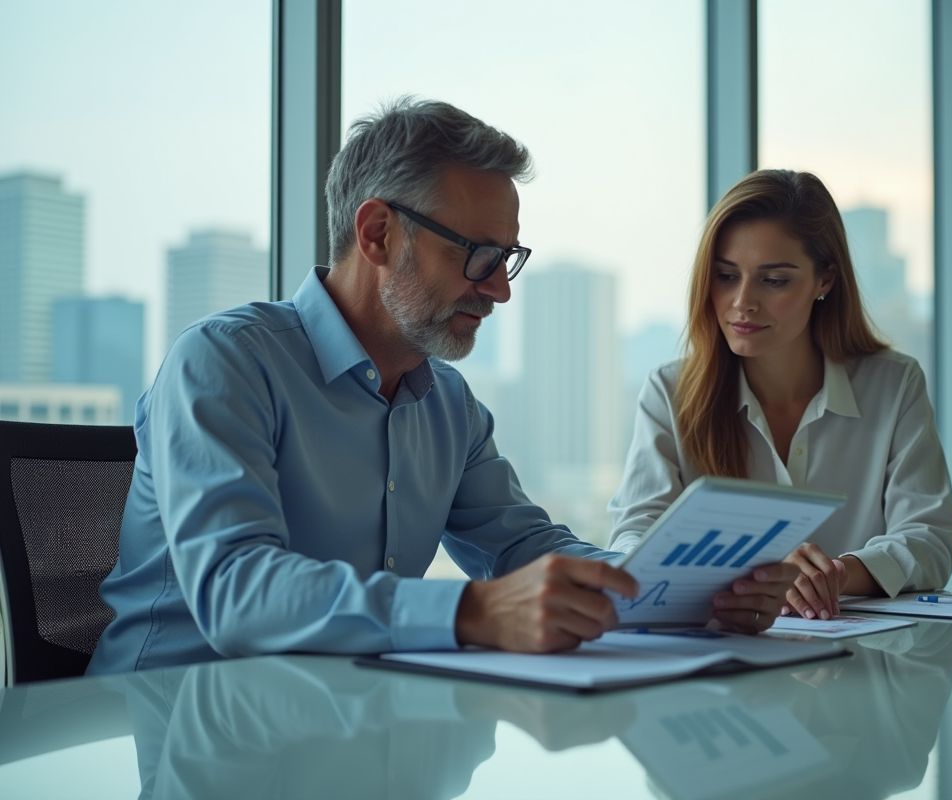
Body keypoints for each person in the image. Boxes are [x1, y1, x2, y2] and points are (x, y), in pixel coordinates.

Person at [87, 98, 796, 675]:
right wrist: (472, 613)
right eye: (479, 256)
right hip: (171, 719)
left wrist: (681, 588)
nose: (497, 291)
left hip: (338, 719)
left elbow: (523, 548)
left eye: (507, 258)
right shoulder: (224, 363)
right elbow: (237, 592)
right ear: (377, 235)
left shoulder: (449, 405)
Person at [608, 169, 952, 621]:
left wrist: (831, 575)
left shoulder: (893, 385)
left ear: (825, 281)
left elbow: (929, 537)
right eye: (726, 276)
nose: (742, 302)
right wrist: (741, 580)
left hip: (860, 664)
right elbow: (634, 536)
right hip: (716, 661)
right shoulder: (669, 392)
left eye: (773, 280)